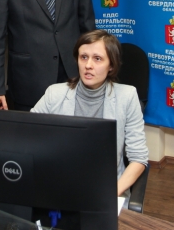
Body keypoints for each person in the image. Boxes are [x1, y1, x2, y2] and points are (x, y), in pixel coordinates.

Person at [31, 30, 148, 198]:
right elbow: (28, 137)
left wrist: (110, 194)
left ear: (111, 65)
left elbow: (139, 158)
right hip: (59, 185)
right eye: (84, 57)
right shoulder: (54, 94)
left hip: (108, 188)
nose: (88, 65)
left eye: (97, 59)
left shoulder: (127, 97)